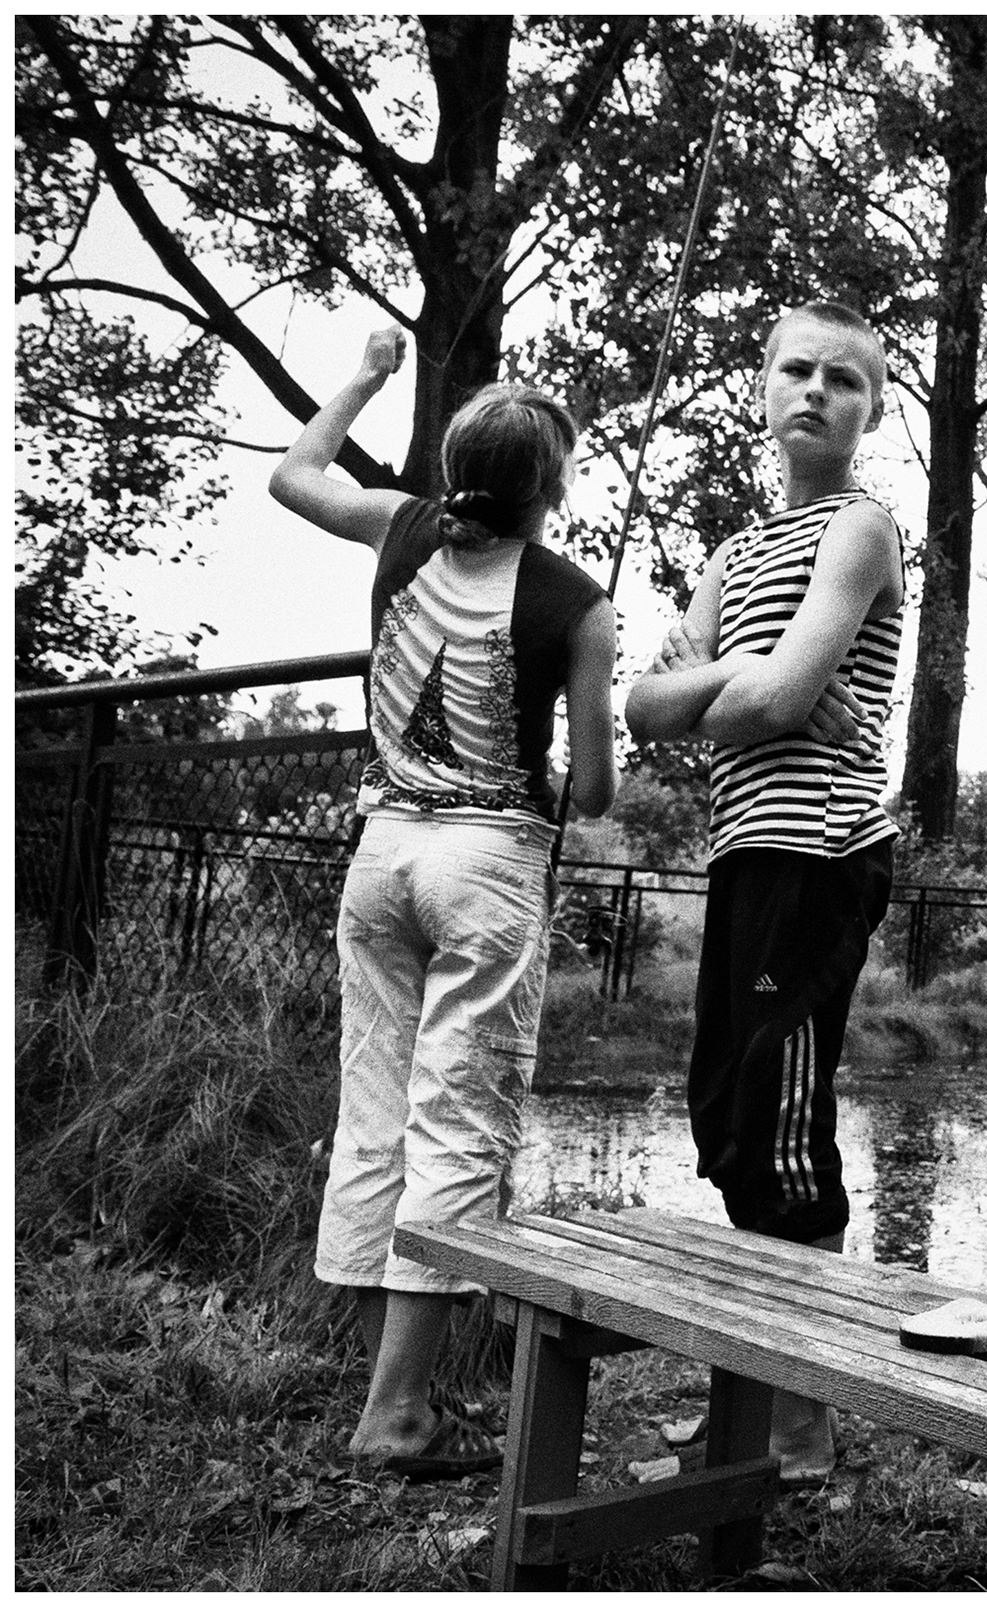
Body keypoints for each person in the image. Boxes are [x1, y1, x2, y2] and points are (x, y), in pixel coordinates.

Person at [270, 328, 618, 1478]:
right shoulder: (576, 601)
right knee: (458, 1125)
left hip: (379, 859)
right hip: (484, 867)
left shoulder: (402, 525)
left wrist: (366, 373)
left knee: (375, 1114)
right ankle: (401, 1411)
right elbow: (598, 788)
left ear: (458, 464)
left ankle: (398, 1393)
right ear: (552, 489)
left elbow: (293, 476)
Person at [623, 301, 907, 1485]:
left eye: (844, 379)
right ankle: (751, 1387)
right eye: (795, 369)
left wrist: (736, 687)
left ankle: (802, 1419)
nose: (815, 391)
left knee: (786, 1120)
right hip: (745, 849)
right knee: (729, 1115)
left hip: (827, 851)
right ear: (759, 390)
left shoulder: (862, 529)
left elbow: (782, 705)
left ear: (872, 410)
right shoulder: (735, 555)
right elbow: (642, 708)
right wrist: (747, 673)